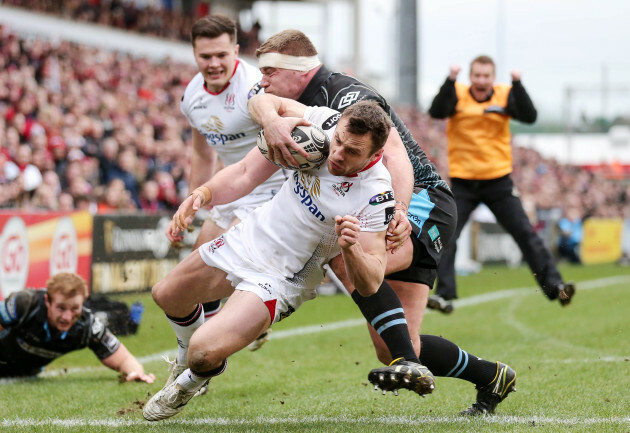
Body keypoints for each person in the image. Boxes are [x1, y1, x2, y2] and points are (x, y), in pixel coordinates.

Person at [254, 30, 516, 415]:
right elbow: (259, 101)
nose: (263, 80)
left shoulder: (347, 97)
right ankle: (492, 376)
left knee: (346, 253)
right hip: (383, 209)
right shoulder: (298, 104)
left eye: (270, 71)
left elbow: (396, 159)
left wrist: (400, 209)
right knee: (392, 344)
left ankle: (406, 362)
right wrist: (269, 120)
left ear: (299, 70)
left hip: (420, 204)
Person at [143, 96, 416, 421]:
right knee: (166, 295)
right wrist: (201, 194)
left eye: (352, 152)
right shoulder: (323, 125)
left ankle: (189, 382)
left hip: (281, 279)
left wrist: (352, 247)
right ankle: (184, 358)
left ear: (375, 154)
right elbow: (246, 165)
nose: (338, 154)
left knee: (204, 355)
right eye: (340, 141)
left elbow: (371, 283)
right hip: (248, 239)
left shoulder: (376, 195)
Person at [174, 14, 287, 362]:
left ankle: (214, 348)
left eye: (221, 55)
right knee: (193, 277)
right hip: (229, 189)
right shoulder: (191, 96)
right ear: (194, 54)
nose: (214, 63)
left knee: (222, 269)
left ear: (236, 50)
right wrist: (194, 203)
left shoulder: (256, 87)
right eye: (205, 56)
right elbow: (201, 150)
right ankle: (197, 356)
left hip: (271, 191)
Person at [428, 55, 576, 313]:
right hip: (463, 182)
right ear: (470, 77)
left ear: (493, 78)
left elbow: (529, 116)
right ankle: (444, 295)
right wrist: (449, 80)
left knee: (525, 234)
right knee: (448, 235)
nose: (481, 81)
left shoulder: (505, 94)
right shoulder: (457, 94)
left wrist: (518, 84)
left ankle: (556, 287)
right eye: (477, 75)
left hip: (498, 181)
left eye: (486, 76)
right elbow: (436, 111)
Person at [0, 273, 155, 383]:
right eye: (61, 308)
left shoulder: (88, 326)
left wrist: (135, 373)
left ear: (84, 302)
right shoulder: (25, 304)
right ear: (47, 301)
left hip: (24, 373)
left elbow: (124, 359)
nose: (67, 317)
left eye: (74, 308)